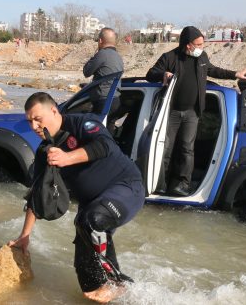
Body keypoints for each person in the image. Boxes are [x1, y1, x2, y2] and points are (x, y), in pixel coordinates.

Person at [8, 92, 144, 303]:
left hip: (126, 188)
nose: (34, 126)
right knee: (87, 276)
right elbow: (37, 194)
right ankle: (116, 294)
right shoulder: (45, 151)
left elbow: (105, 146)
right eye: (29, 121)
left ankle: (117, 284)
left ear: (54, 111)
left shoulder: (82, 123)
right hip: (90, 206)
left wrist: (67, 157)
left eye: (38, 119)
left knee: (91, 220)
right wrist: (24, 235)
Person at [146, 26, 246, 196]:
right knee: (165, 148)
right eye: (199, 44)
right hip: (171, 112)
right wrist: (162, 75)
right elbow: (150, 74)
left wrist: (235, 74)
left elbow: (213, 70)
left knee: (186, 149)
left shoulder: (201, 57)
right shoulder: (169, 57)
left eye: (203, 44)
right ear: (188, 45)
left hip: (192, 112)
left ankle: (181, 185)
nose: (202, 47)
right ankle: (159, 183)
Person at [83, 27, 124, 115]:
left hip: (103, 101)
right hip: (116, 100)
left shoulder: (102, 54)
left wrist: (94, 55)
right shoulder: (118, 57)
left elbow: (86, 72)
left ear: (100, 40)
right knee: (108, 127)